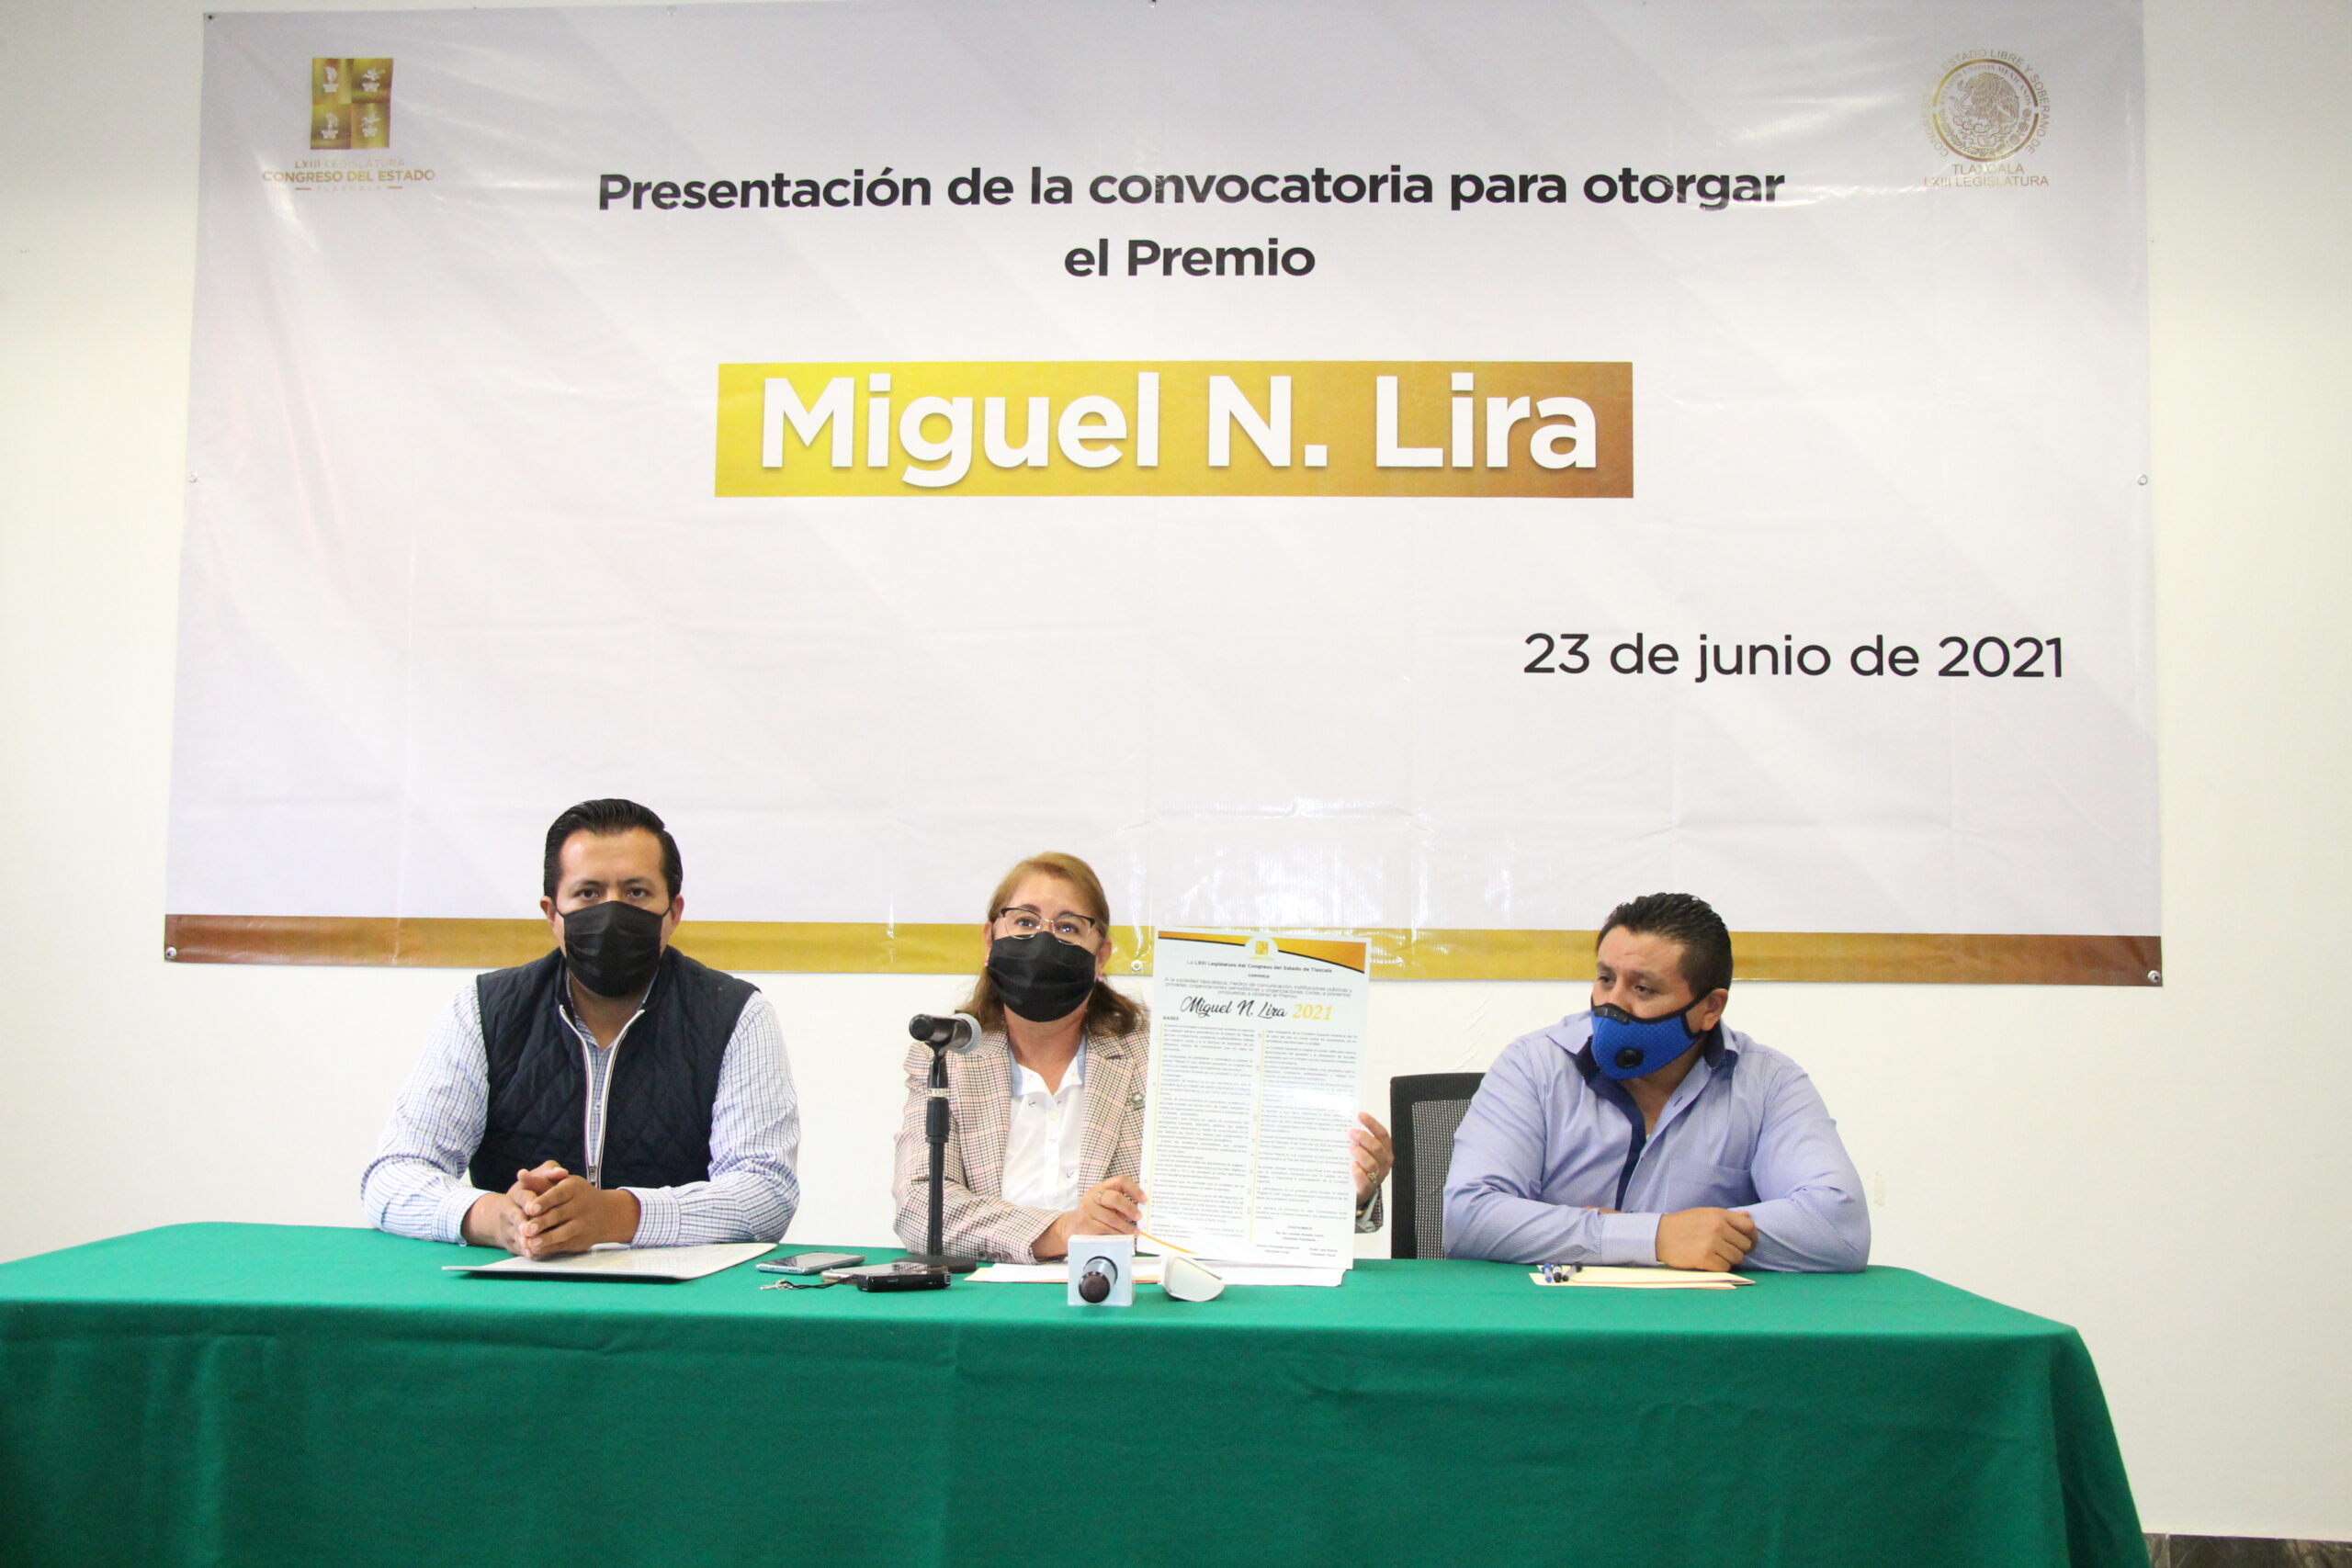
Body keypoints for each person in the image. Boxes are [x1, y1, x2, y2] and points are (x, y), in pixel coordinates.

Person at [892, 852, 1394, 1262]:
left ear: (1101, 956)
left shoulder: (1160, 1049)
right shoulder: (947, 1057)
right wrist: (1062, 1230)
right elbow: (919, 1208)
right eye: (1024, 921)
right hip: (990, 1307)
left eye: (1068, 928)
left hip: (1136, 1304)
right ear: (990, 938)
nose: (1043, 940)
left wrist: (1338, 1193)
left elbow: (1232, 1182)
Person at [362, 798, 799, 1257]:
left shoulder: (735, 1015)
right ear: (552, 913)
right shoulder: (484, 1011)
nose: (611, 913)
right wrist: (497, 1219)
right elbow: (392, 1177)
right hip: (516, 1286)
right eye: (588, 893)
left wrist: (616, 1216)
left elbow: (766, 1193)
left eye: (636, 893)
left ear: (673, 912)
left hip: (680, 1293)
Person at [1442, 892, 1866, 1272]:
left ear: (1709, 1008)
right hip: (1553, 1318)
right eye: (1606, 979)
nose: (1612, 1004)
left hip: (1700, 1324)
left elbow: (1838, 1227)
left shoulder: (1768, 1083)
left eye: (1643, 988)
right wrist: (1656, 1238)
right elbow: (1469, 1218)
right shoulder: (1533, 1066)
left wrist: (1699, 1239)